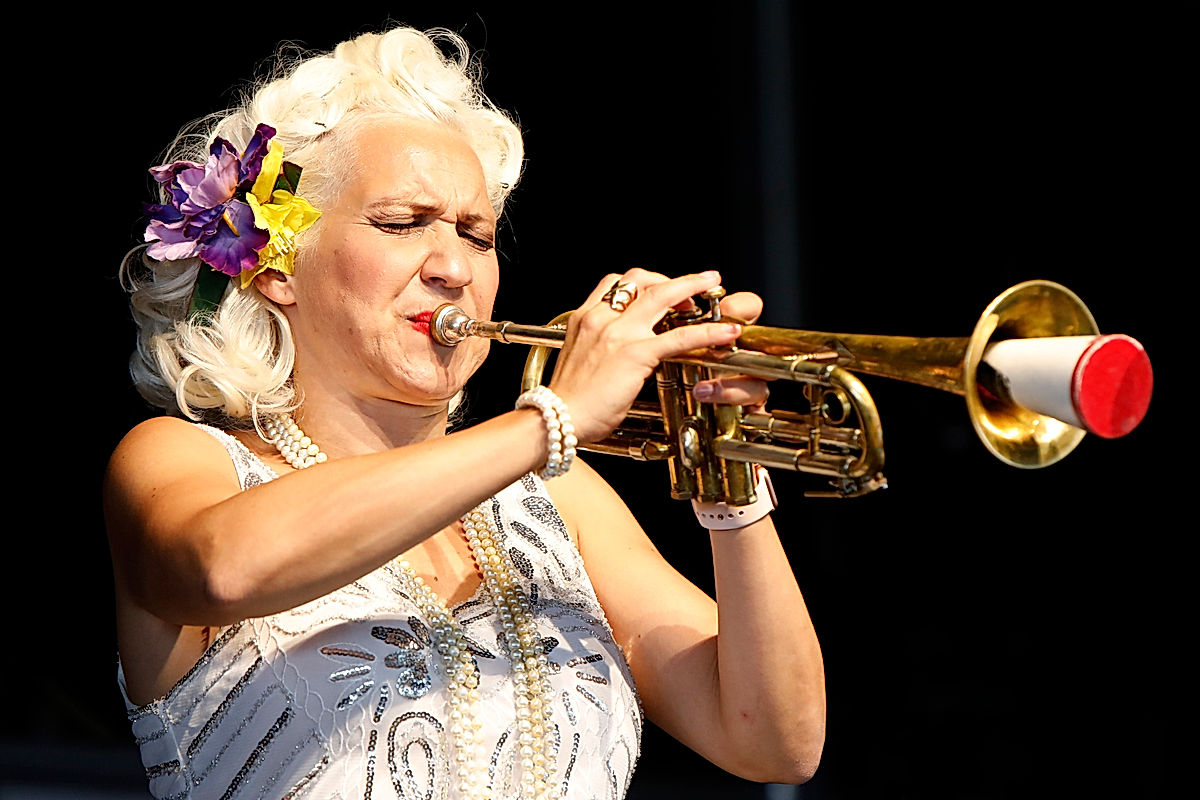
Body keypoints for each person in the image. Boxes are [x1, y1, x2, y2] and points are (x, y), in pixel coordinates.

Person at [105, 23, 825, 800]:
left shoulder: (560, 499)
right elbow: (221, 569)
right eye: (401, 222)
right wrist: (550, 420)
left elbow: (774, 742)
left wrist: (728, 471)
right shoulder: (178, 458)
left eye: (477, 236)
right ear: (278, 268)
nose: (453, 267)